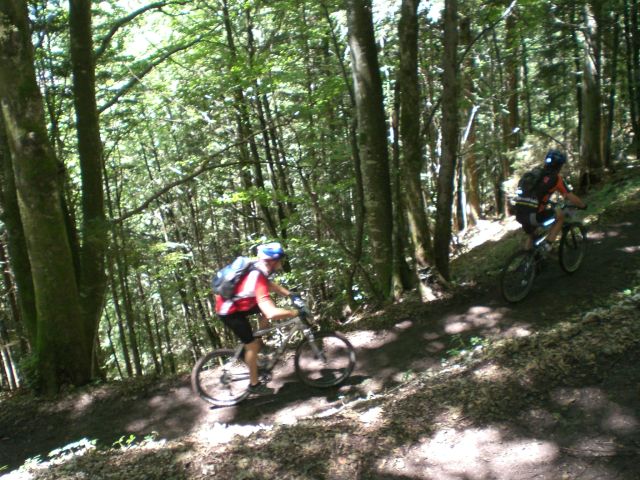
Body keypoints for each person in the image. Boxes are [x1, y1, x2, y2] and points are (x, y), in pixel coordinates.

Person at [215, 242, 299, 395]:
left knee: (266, 309)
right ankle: (254, 385)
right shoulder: (258, 275)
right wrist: (294, 313)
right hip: (229, 311)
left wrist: (290, 294)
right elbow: (271, 313)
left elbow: (270, 285)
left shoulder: (259, 268)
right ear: (272, 261)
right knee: (252, 345)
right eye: (279, 260)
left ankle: (258, 341)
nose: (281, 264)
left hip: (238, 303)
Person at [514, 149, 586, 251]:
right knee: (560, 216)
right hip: (534, 216)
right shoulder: (556, 179)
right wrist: (583, 205)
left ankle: (527, 257)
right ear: (559, 166)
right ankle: (547, 245)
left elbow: (536, 194)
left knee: (532, 234)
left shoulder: (535, 174)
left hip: (519, 214)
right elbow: (570, 196)